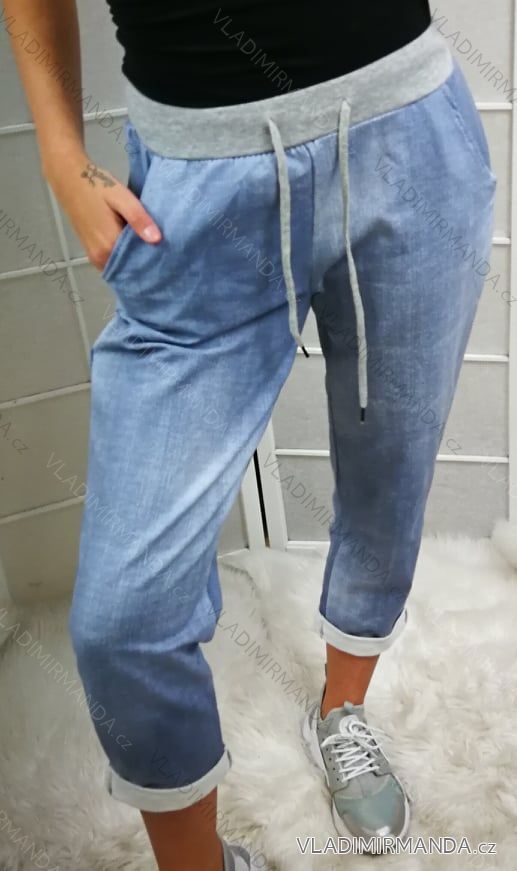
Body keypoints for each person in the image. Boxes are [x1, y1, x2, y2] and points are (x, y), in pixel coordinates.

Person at [6, 1, 496, 868]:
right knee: (125, 619)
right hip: (194, 193)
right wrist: (59, 153)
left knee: (388, 477)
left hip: (407, 135)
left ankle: (340, 709)